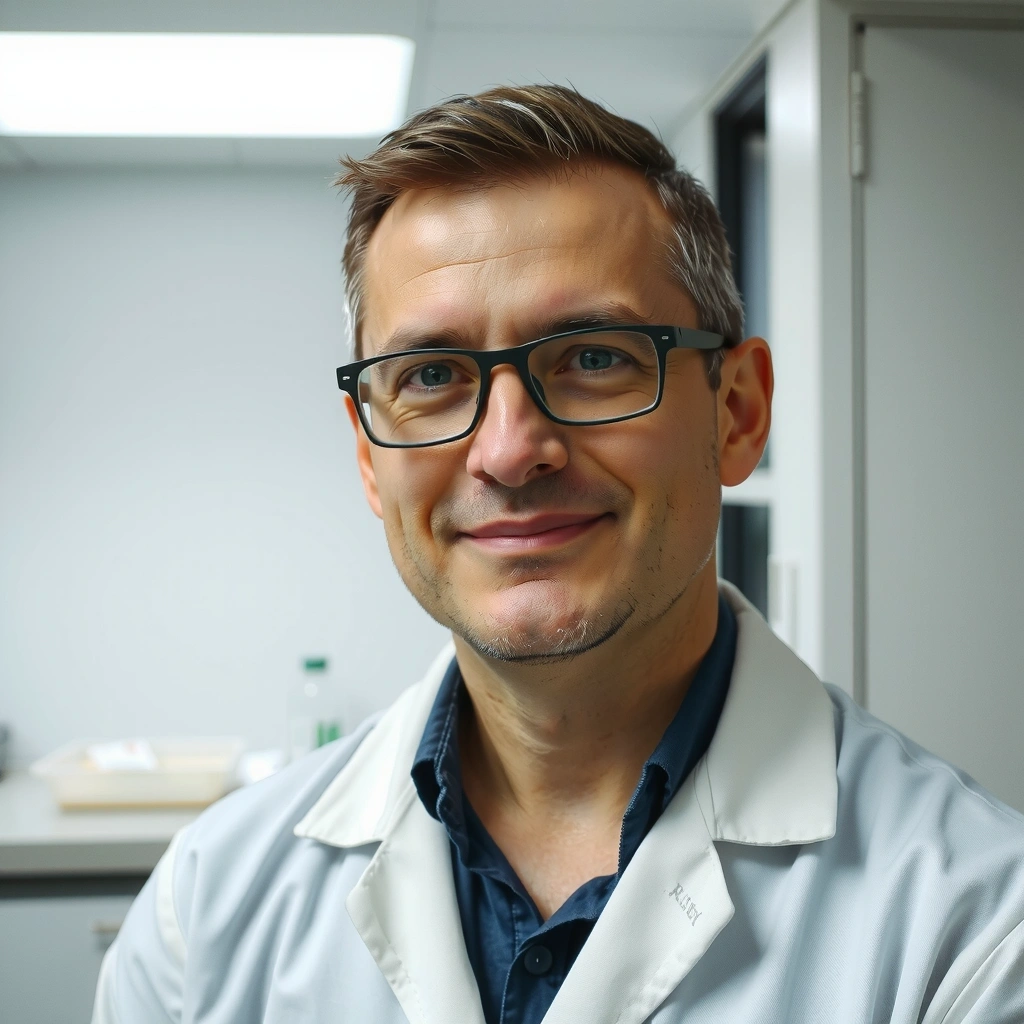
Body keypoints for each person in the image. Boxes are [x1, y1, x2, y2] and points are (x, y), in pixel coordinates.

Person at [92, 85, 1024, 1024]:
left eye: (593, 357)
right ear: (370, 458)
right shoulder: (201, 921)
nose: (507, 451)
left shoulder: (975, 929)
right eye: (429, 377)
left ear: (738, 412)